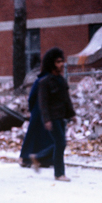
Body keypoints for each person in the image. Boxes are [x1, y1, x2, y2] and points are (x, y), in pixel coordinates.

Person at [30, 47, 75, 182]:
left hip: (61, 116)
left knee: (60, 143)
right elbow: (43, 103)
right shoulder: (44, 82)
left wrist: (72, 114)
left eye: (62, 61)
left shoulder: (61, 80)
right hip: (53, 117)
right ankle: (59, 173)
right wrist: (47, 120)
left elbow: (67, 99)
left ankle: (38, 157)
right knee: (60, 143)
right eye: (58, 62)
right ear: (51, 63)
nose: (61, 64)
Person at [19, 72, 54, 168]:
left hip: (37, 112)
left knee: (33, 135)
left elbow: (31, 97)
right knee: (46, 137)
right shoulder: (51, 81)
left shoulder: (38, 81)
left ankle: (26, 158)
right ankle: (45, 160)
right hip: (47, 112)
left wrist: (32, 109)